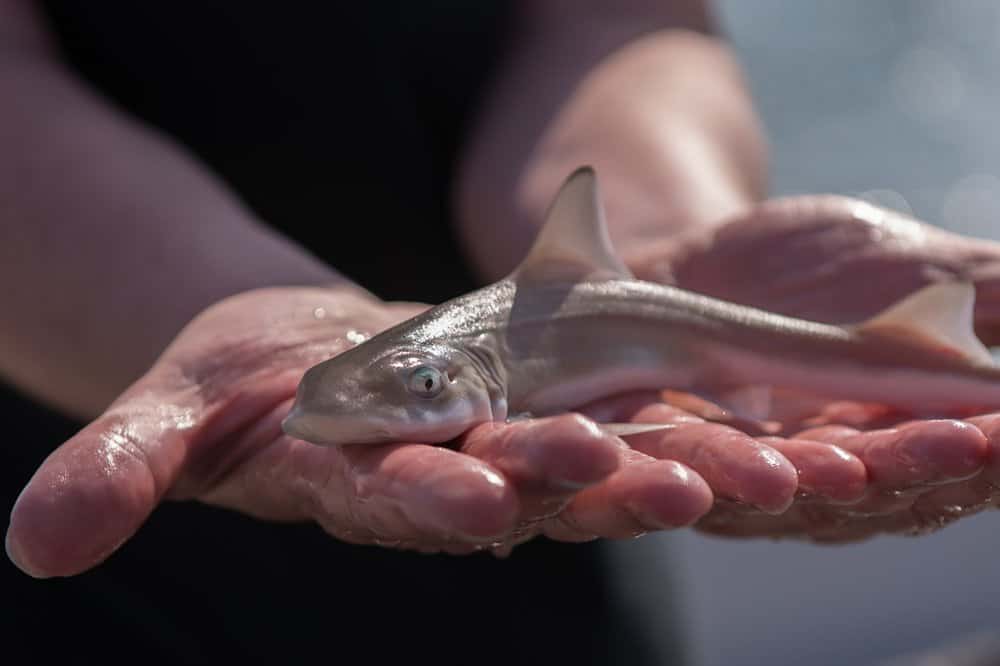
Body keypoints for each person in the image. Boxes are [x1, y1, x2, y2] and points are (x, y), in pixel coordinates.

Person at [3, 1, 1000, 663]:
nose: (403, 406)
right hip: (110, 452)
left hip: (545, 549)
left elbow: (619, 18)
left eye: (421, 390)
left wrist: (660, 234)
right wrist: (199, 305)